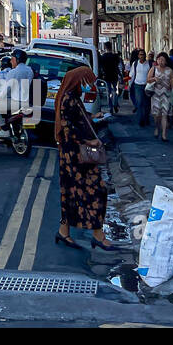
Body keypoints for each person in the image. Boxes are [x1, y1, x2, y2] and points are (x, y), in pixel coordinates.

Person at [52, 65, 115, 251]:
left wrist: (93, 116)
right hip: (75, 155)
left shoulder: (73, 97)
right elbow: (68, 128)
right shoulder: (67, 99)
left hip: (75, 155)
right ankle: (97, 235)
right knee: (96, 191)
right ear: (78, 81)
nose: (89, 86)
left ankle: (64, 232)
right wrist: (90, 140)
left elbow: (79, 117)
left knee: (71, 193)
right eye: (86, 82)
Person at [148, 54, 173, 141]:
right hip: (155, 94)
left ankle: (164, 134)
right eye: (159, 59)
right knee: (157, 115)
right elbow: (147, 80)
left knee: (164, 114)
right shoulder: (154, 69)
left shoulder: (169, 70)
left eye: (162, 59)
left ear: (166, 61)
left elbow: (172, 80)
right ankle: (157, 127)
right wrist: (154, 79)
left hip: (166, 95)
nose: (160, 61)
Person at [98, 44, 122, 114]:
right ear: (111, 47)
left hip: (106, 76)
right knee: (116, 91)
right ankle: (115, 104)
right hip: (114, 76)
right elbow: (118, 66)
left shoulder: (103, 57)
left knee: (109, 92)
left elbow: (101, 67)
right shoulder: (115, 56)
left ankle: (110, 107)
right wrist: (120, 75)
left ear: (105, 48)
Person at [134, 52, 154, 128]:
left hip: (147, 86)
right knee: (139, 103)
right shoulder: (135, 63)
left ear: (145, 56)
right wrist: (129, 84)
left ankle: (146, 118)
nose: (142, 56)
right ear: (138, 56)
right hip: (138, 85)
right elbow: (132, 74)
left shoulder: (149, 64)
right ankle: (141, 120)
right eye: (140, 54)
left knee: (147, 104)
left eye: (143, 54)